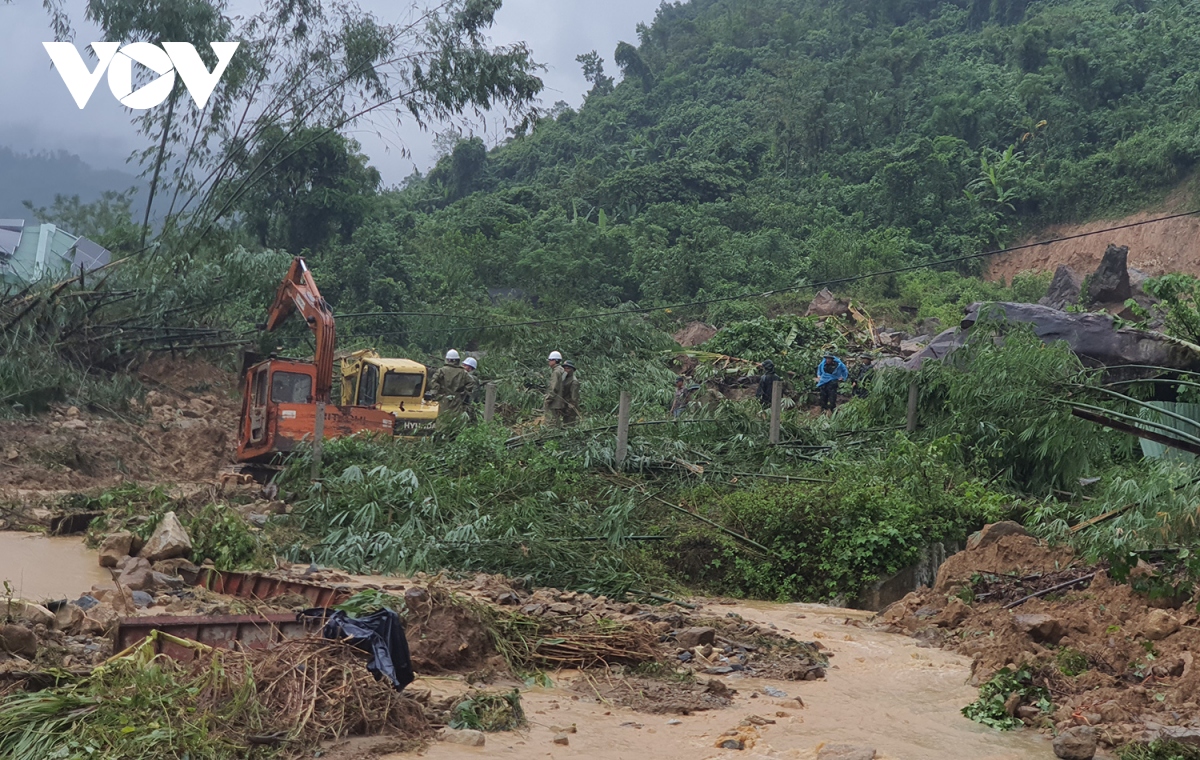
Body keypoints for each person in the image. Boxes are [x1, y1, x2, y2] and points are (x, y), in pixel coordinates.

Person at [428, 349, 469, 423]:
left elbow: (433, 381)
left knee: (443, 419)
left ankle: (442, 433)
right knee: (455, 420)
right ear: (457, 360)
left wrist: (437, 391)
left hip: (444, 398)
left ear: (447, 360)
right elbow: (471, 383)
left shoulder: (442, 370)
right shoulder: (463, 372)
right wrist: (463, 393)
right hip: (457, 399)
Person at [544, 350, 568, 425]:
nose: (549, 362)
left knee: (551, 422)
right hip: (561, 401)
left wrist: (548, 399)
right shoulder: (562, 370)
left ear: (555, 361)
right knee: (557, 421)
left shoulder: (556, 372)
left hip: (555, 402)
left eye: (550, 360)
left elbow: (553, 388)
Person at [561, 360, 581, 425]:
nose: (566, 370)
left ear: (573, 370)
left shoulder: (574, 382)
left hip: (569, 408)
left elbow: (574, 398)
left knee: (569, 425)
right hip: (563, 405)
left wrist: (569, 409)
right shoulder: (564, 378)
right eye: (565, 368)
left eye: (568, 368)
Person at [462, 357, 480, 421]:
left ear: (470, 368)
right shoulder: (463, 375)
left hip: (467, 404)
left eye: (465, 365)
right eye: (463, 365)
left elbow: (473, 394)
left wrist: (469, 406)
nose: (463, 367)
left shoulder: (472, 378)